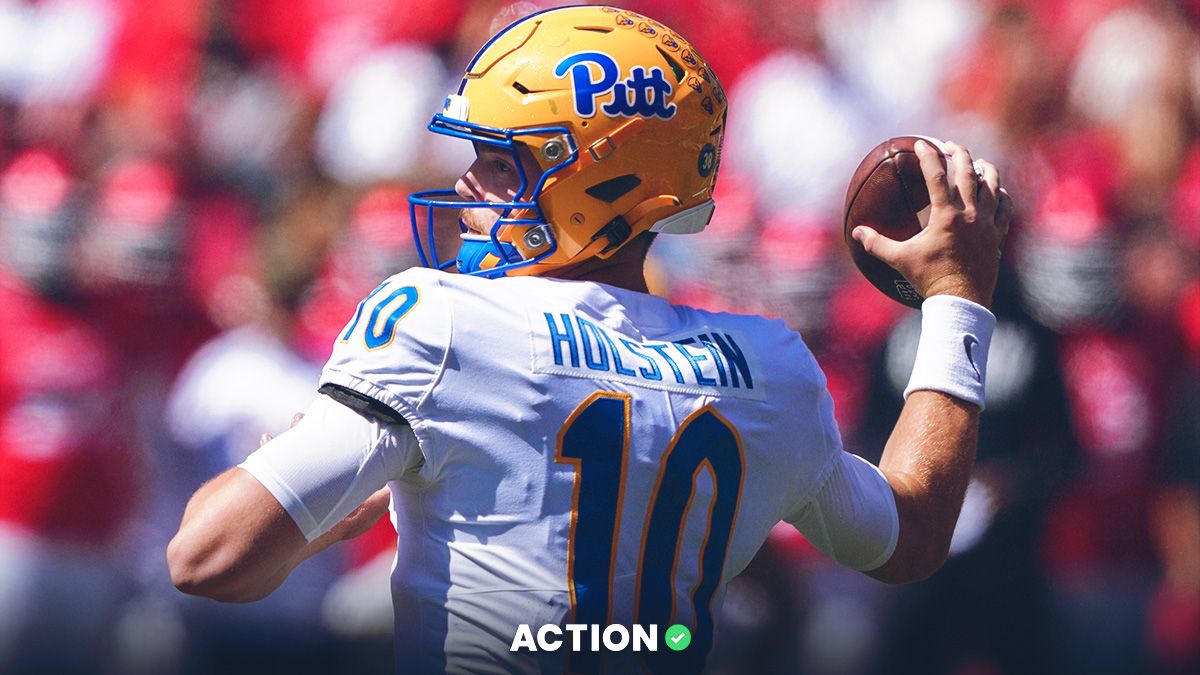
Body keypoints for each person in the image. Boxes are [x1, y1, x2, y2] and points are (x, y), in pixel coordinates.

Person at [167, 5, 1012, 674]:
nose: (465, 186)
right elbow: (908, 538)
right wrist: (957, 302)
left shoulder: (441, 322)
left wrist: (308, 518)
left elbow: (207, 557)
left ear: (599, 180)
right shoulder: (769, 366)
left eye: (501, 162)